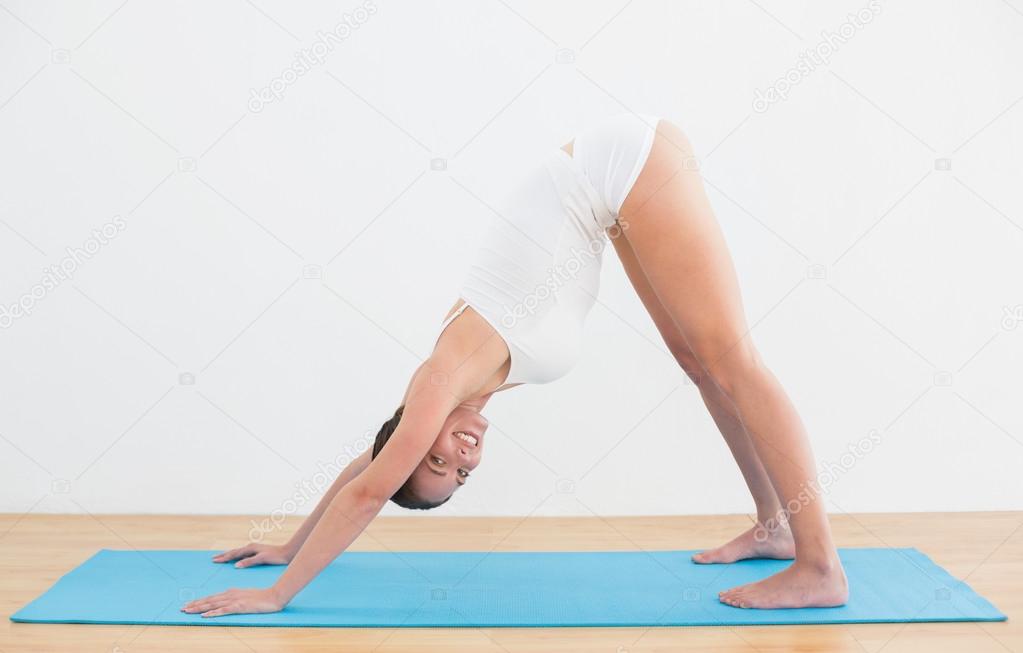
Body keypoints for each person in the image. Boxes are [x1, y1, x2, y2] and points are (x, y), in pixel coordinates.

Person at [182, 114, 848, 617]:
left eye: (435, 459)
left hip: (620, 166)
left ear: (410, 435)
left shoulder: (442, 380)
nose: (461, 458)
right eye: (458, 475)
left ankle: (819, 565)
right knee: (700, 361)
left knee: (733, 360)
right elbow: (369, 465)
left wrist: (277, 592)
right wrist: (291, 542)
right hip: (610, 196)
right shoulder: (459, 391)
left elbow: (368, 488)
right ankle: (775, 524)